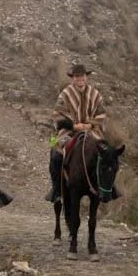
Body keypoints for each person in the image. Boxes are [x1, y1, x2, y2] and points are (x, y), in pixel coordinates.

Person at [47, 63, 119, 203]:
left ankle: (111, 188)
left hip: (92, 131)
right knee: (56, 155)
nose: (80, 78)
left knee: (110, 154)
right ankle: (56, 190)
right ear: (73, 78)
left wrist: (90, 124)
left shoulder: (95, 94)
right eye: (77, 76)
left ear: (86, 77)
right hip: (69, 131)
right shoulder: (65, 94)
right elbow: (58, 115)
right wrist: (75, 126)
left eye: (82, 76)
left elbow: (101, 114)